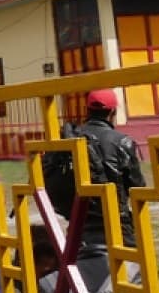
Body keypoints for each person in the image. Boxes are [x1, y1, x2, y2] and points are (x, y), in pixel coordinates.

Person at [61, 88, 145, 248]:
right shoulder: (122, 141)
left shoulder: (71, 138)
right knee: (146, 271)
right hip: (116, 224)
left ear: (87, 110)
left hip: (78, 224)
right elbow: (137, 187)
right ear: (112, 111)